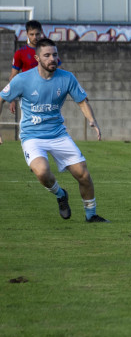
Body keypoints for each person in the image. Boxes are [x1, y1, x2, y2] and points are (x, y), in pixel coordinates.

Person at [0, 38, 106, 222]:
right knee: (42, 172)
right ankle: (60, 195)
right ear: (37, 58)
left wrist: (92, 121)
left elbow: (81, 101)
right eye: (47, 55)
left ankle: (92, 216)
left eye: (55, 55)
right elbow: (1, 98)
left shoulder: (67, 78)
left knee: (83, 174)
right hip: (32, 136)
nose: (52, 59)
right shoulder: (22, 80)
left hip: (58, 134)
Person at [8, 20, 45, 113]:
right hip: (27, 93)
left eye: (37, 34)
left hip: (46, 91)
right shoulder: (20, 53)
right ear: (27, 34)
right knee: (29, 121)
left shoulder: (47, 51)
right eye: (31, 34)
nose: (35, 37)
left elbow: (60, 71)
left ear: (41, 33)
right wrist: (12, 99)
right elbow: (13, 76)